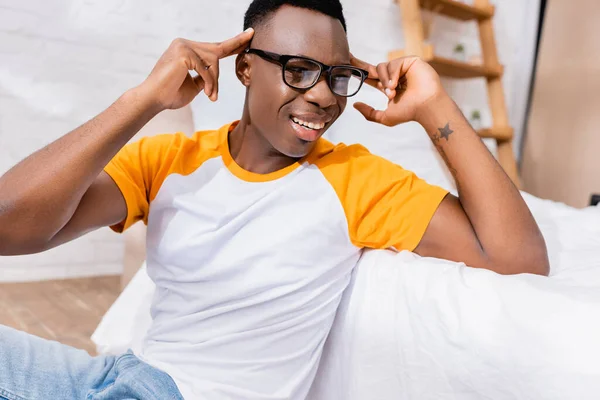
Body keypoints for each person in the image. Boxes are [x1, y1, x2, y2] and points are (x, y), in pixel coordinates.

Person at [0, 0, 549, 399]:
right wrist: (143, 100)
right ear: (245, 66)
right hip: (119, 377)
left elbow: (519, 258)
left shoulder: (355, 178)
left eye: (337, 77)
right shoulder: (170, 159)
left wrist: (436, 107)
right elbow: (10, 226)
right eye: (298, 69)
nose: (320, 94)